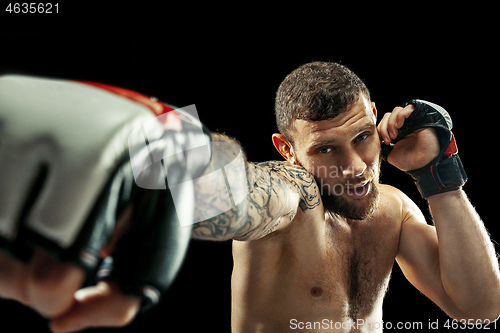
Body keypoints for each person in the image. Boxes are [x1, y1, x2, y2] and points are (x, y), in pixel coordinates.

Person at [191, 61, 500, 332]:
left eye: (362, 137)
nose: (354, 168)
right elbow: (225, 202)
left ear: (374, 117)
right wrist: (177, 143)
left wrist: (437, 174)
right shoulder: (294, 197)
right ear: (287, 150)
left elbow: (480, 309)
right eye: (325, 149)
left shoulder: (394, 211)